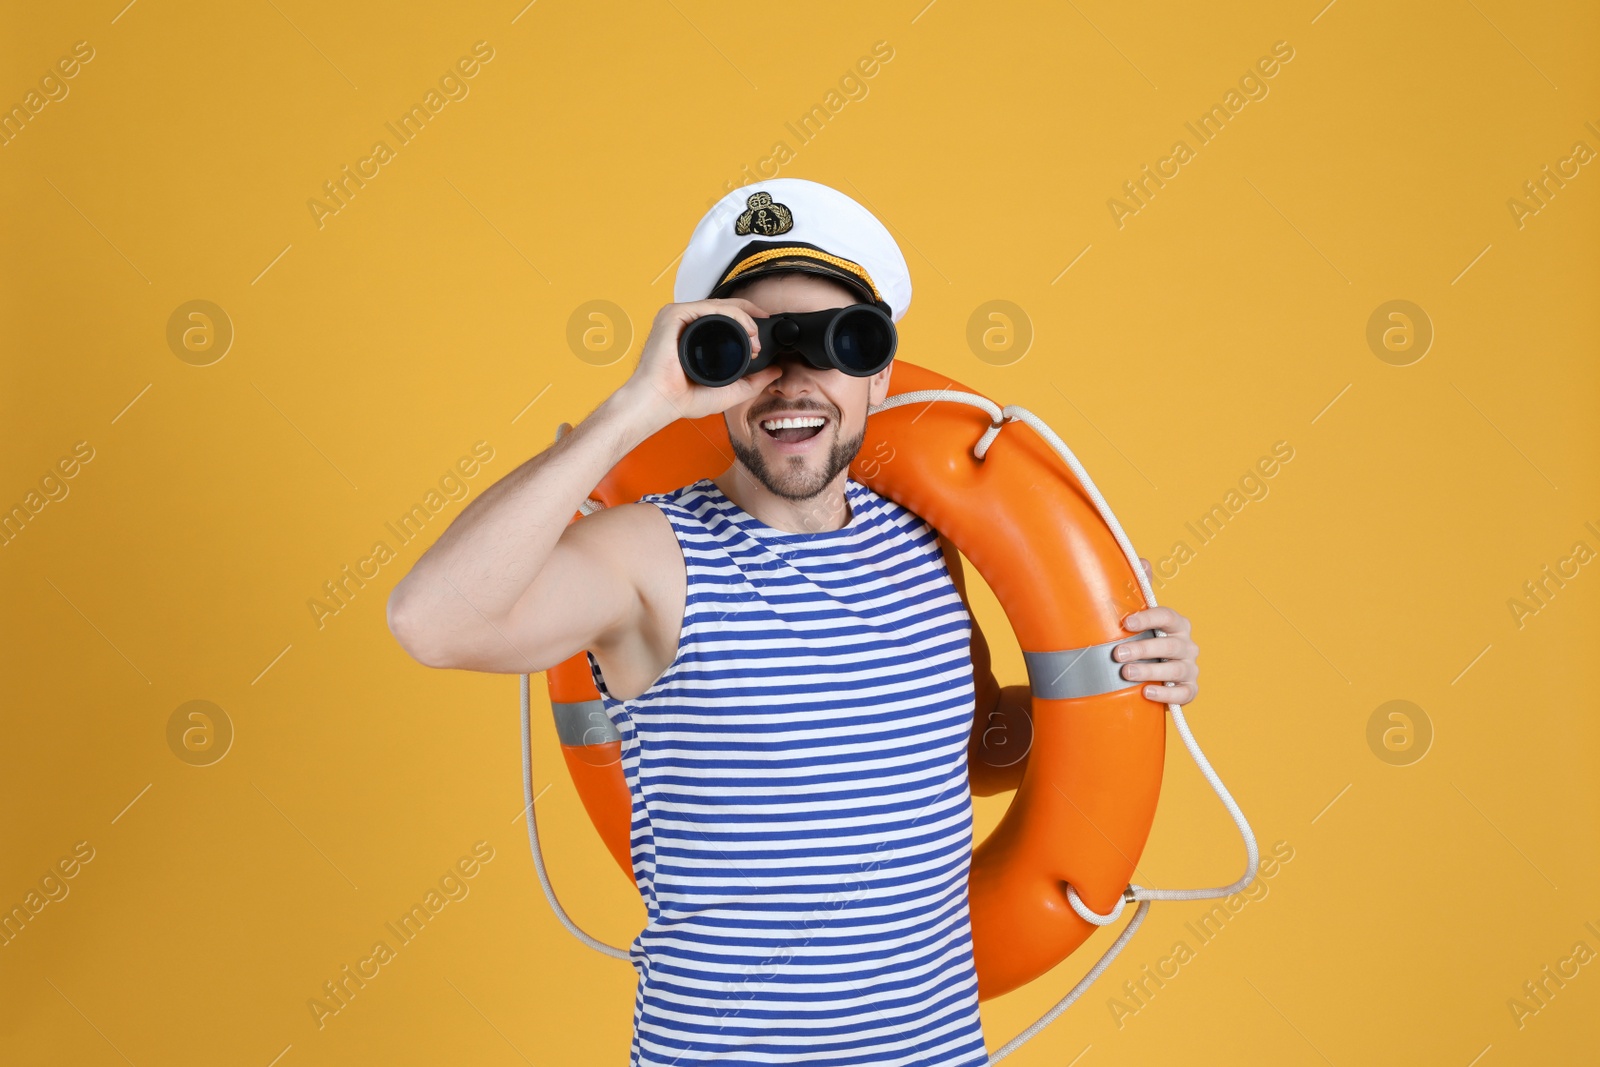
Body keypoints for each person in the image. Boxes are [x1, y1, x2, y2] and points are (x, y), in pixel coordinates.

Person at [386, 179, 1201, 1066]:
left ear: (881, 368)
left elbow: (963, 753)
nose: (794, 382)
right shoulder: (646, 557)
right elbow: (431, 622)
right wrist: (634, 408)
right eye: (757, 348)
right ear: (709, 369)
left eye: (838, 343)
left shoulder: (927, 543)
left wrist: (1124, 685)